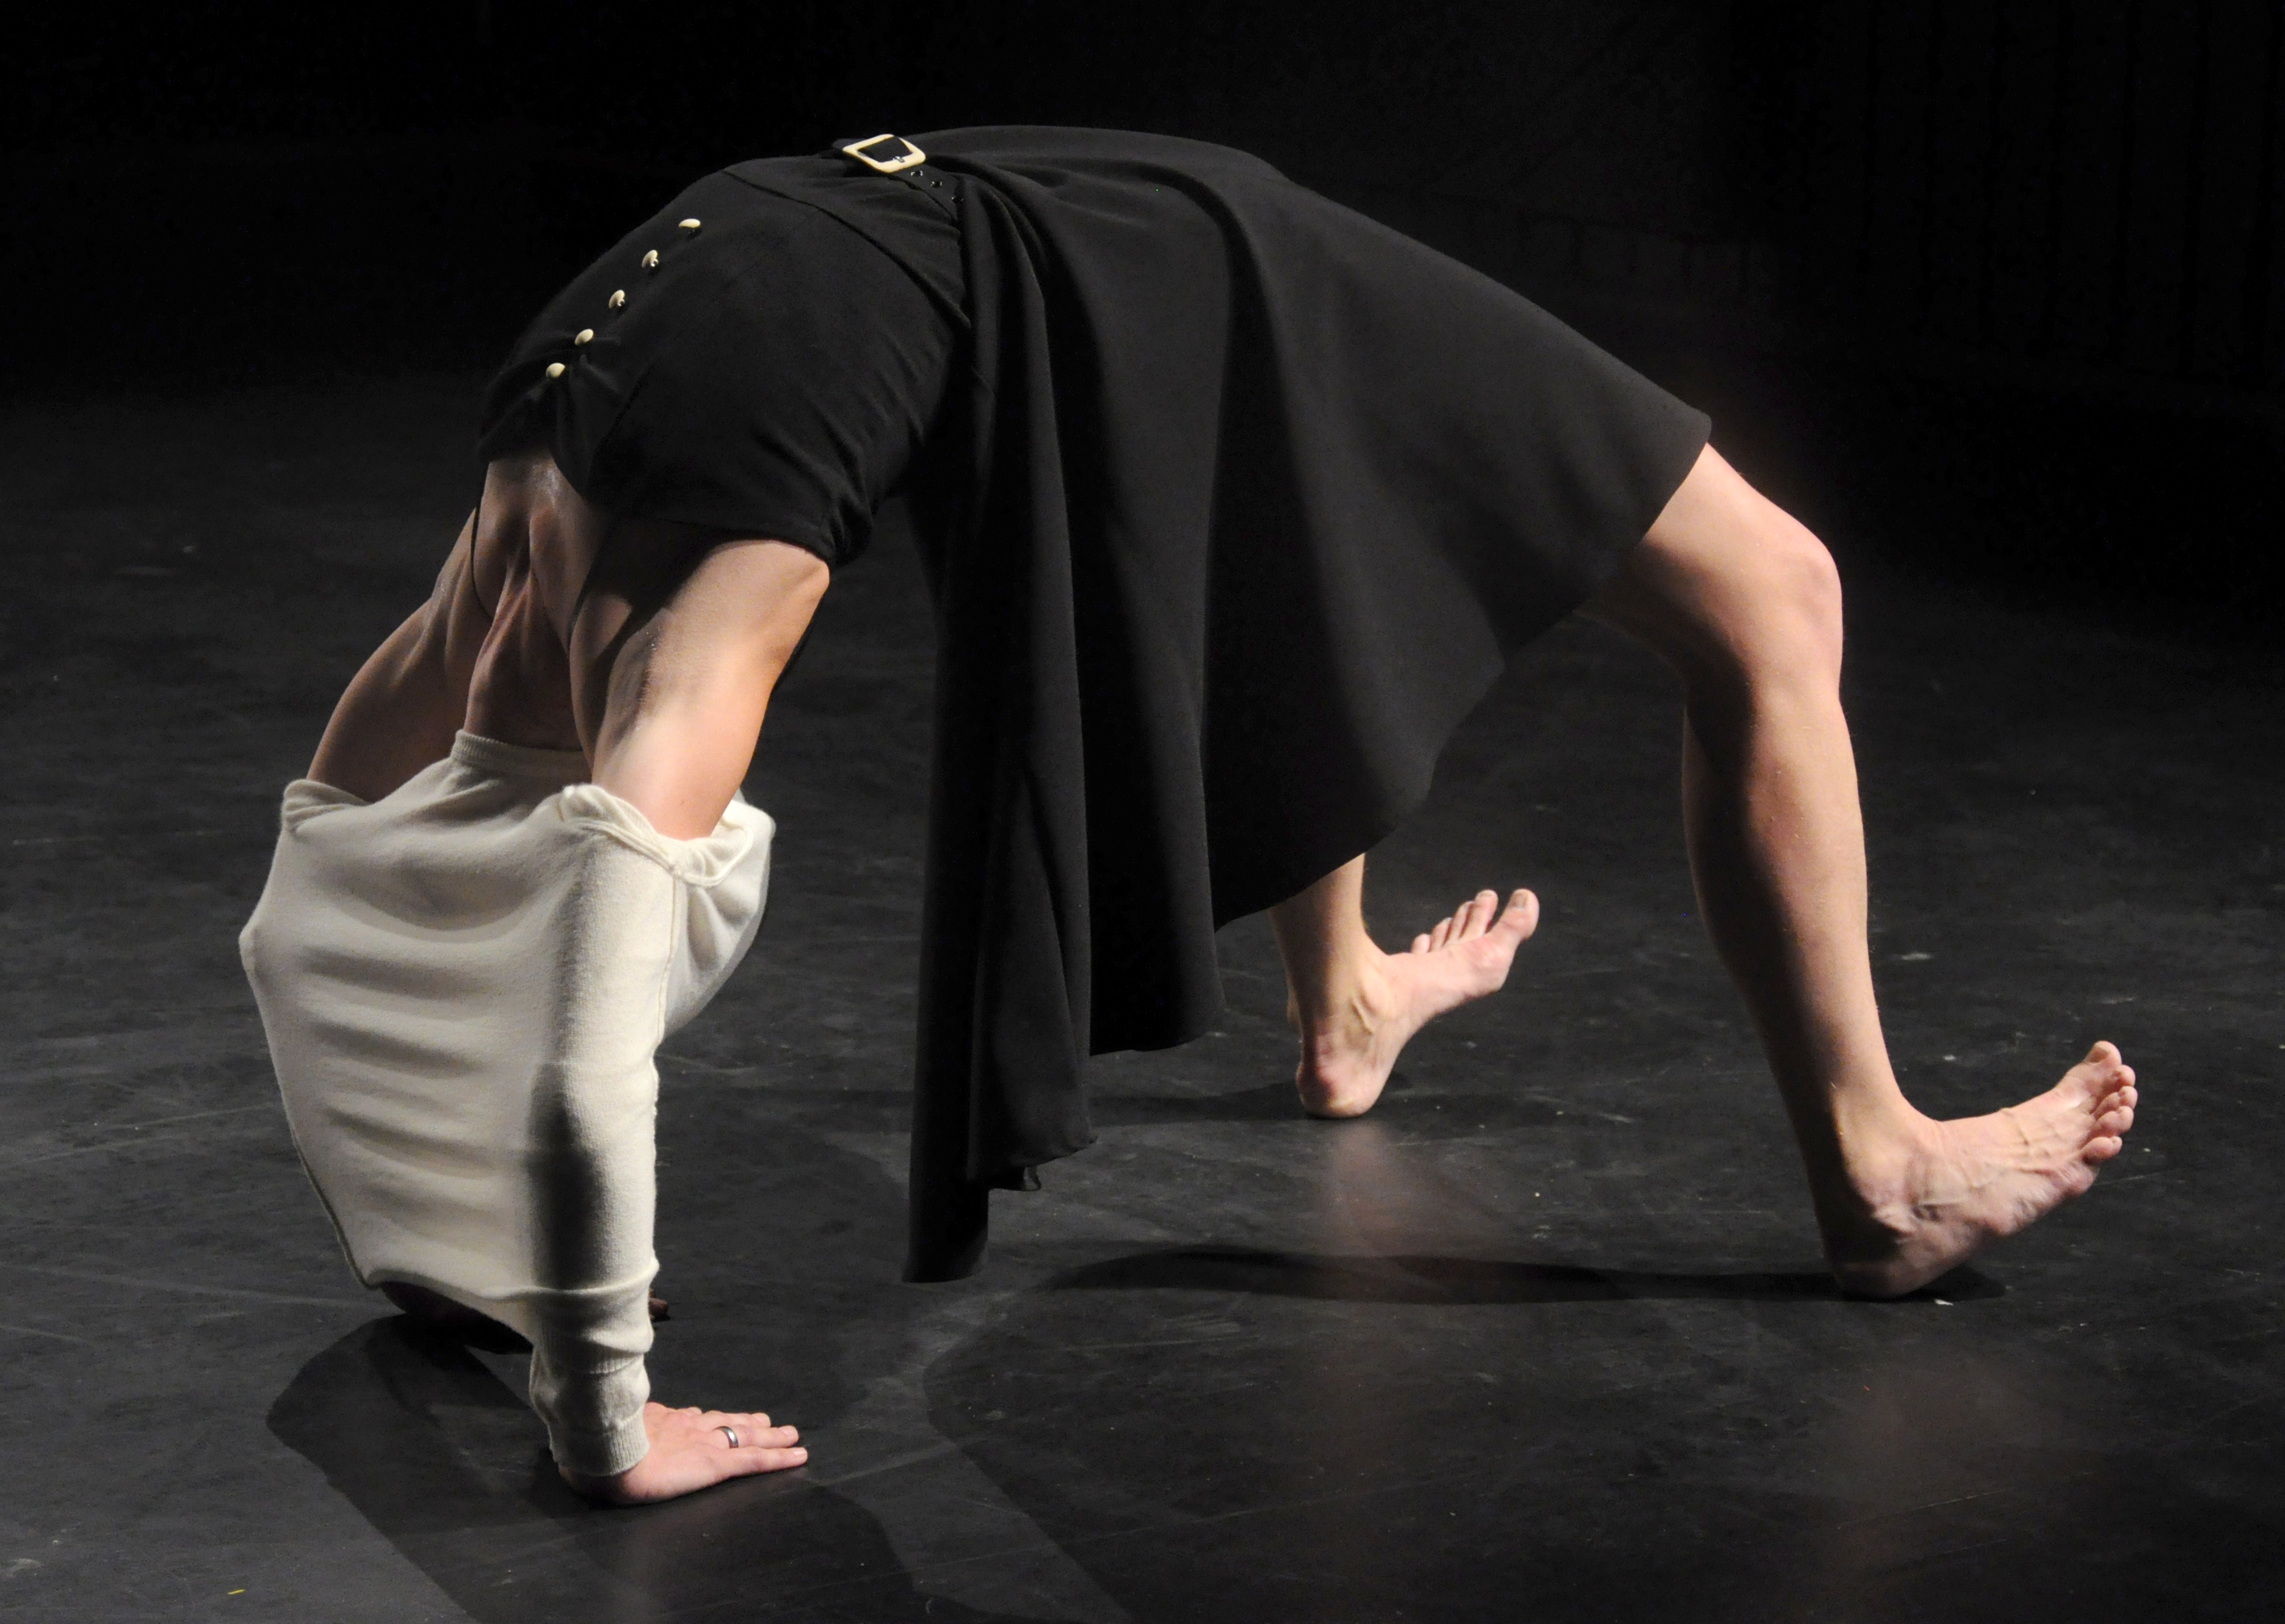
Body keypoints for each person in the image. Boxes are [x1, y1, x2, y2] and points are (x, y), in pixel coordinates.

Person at [247, 129, 2138, 1507]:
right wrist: (536, 1332)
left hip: (1194, 247)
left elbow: (507, 1011)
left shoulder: (640, 632)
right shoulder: (512, 578)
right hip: (981, 227)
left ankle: (1854, 1159)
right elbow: (337, 917)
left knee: (1773, 590)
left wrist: (574, 1376)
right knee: (1706, 581)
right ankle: (1814, 1161)